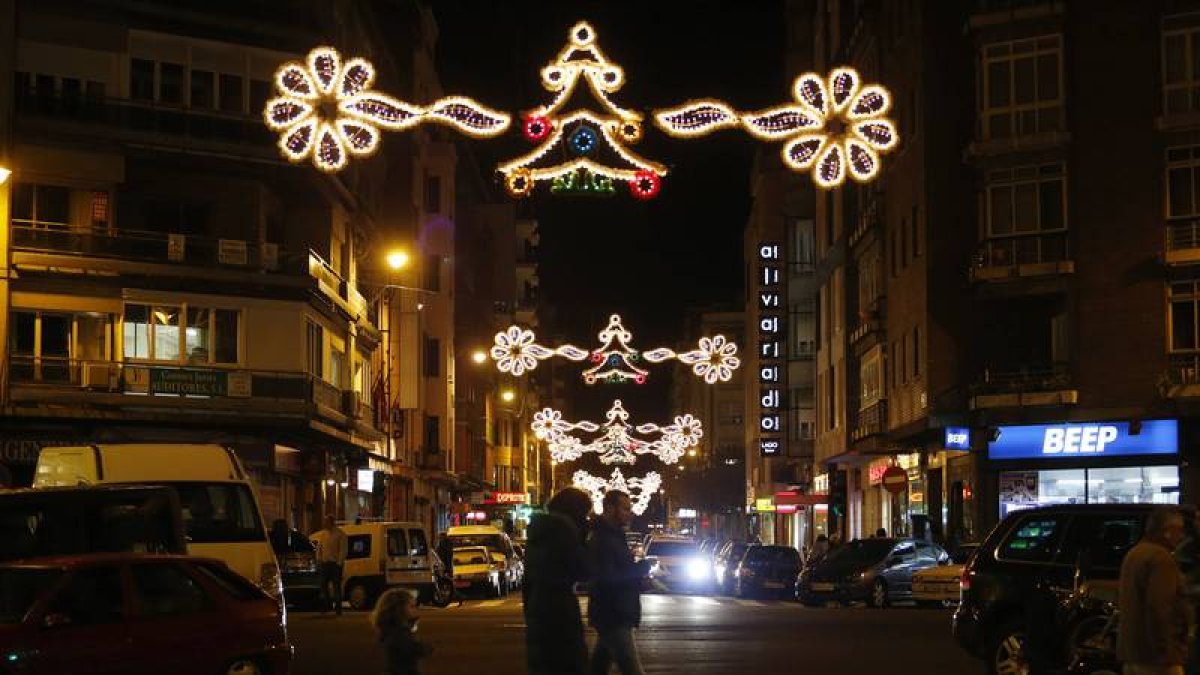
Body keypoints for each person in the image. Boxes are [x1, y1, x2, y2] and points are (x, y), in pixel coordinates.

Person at [524, 487, 593, 675]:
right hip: (560, 609)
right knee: (569, 664)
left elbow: (527, 581)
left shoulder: (540, 531)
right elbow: (582, 569)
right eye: (585, 515)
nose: (586, 519)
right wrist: (584, 540)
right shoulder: (564, 530)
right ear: (576, 512)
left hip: (539, 609)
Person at [1118, 506, 1192, 675]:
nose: (1181, 536)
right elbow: (1159, 607)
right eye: (1178, 530)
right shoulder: (1161, 558)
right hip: (1155, 659)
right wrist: (1165, 649)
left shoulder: (1135, 553)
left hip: (1132, 652)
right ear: (1166, 530)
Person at [588, 490, 651, 675]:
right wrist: (640, 570)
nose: (629, 513)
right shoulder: (605, 538)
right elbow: (608, 578)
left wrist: (637, 577)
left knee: (598, 666)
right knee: (631, 668)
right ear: (609, 508)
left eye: (629, 508)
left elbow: (617, 573)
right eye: (624, 508)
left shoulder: (613, 536)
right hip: (614, 613)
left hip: (614, 611)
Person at [371, 588, 432, 675]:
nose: (414, 610)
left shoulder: (391, 628)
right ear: (399, 609)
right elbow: (409, 648)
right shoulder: (399, 633)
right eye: (411, 606)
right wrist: (423, 647)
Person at [315, 514, 348, 615]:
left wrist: (339, 563)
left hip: (335, 564)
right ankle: (327, 605)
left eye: (326, 522)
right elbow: (319, 548)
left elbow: (343, 550)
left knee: (336, 586)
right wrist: (319, 559)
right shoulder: (323, 534)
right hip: (325, 564)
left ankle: (338, 608)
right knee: (323, 585)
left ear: (331, 522)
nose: (324, 523)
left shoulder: (340, 534)